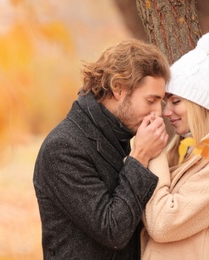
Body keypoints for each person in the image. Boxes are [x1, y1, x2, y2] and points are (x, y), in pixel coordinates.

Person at [33, 39, 170, 259]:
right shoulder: (63, 147)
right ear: (118, 89)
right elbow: (112, 230)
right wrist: (140, 156)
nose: (158, 113)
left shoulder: (120, 135)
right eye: (151, 100)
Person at [141, 32, 209, 260]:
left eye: (176, 101)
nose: (165, 112)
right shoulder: (185, 151)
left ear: (200, 104)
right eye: (165, 102)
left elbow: (163, 223)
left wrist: (155, 154)